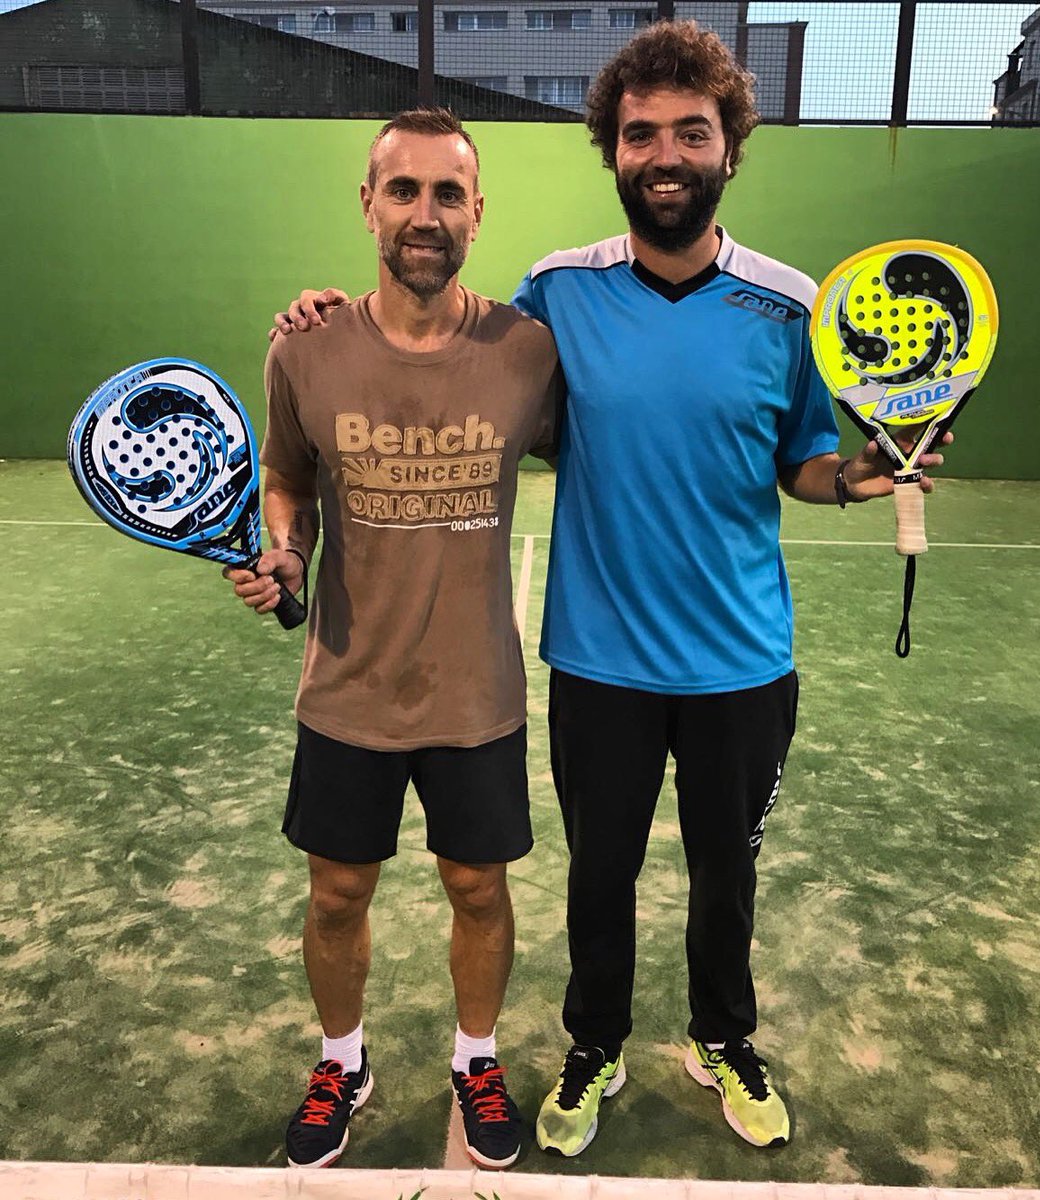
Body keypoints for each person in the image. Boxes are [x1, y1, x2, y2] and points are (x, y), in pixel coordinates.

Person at [272, 20, 950, 1159]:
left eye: (692, 129)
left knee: (726, 877)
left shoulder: (788, 308)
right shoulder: (555, 298)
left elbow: (804, 465)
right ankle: (592, 1045)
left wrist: (861, 480)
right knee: (602, 880)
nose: (666, 152)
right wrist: (318, 323)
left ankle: (723, 1038)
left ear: (729, 142)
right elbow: (440, 361)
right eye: (642, 134)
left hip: (744, 660)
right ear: (615, 151)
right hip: (598, 661)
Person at [232, 106, 562, 1171]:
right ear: (368, 203)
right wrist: (285, 547)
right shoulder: (307, 350)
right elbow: (289, 476)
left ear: (478, 212)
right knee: (337, 894)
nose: (426, 214)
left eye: (448, 193)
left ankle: (477, 1058)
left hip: (477, 694)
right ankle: (344, 1059)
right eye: (405, 191)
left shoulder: (528, 353)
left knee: (478, 889)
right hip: (349, 692)